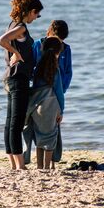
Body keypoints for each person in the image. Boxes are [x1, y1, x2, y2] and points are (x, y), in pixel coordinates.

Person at [0, 0, 43, 170]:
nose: (35, 19)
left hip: (11, 78)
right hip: (18, 79)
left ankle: (13, 164)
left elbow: (5, 39)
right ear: (31, 11)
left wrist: (14, 51)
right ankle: (20, 166)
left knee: (10, 122)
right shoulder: (21, 27)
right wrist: (15, 52)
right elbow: (1, 40)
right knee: (16, 123)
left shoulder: (13, 25)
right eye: (37, 15)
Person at [32, 20, 72, 168]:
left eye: (61, 42)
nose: (59, 46)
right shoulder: (37, 45)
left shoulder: (66, 50)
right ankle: (45, 165)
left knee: (54, 129)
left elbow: (68, 73)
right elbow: (33, 70)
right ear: (49, 34)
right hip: (41, 95)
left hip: (56, 93)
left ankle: (52, 163)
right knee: (45, 131)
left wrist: (60, 91)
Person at [23, 37, 64, 169]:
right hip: (50, 105)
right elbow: (59, 92)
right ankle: (47, 167)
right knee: (50, 138)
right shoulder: (55, 70)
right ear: (58, 53)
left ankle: (39, 166)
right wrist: (61, 110)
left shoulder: (37, 69)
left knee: (39, 137)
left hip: (35, 106)